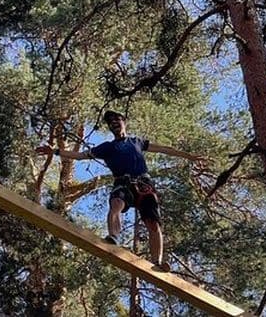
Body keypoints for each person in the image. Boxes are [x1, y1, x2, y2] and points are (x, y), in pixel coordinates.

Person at [35, 110, 206, 271]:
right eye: (110, 123)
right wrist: (56, 151)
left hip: (144, 184)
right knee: (116, 203)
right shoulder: (107, 148)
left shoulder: (137, 142)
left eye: (117, 120)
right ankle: (113, 237)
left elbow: (164, 149)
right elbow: (81, 156)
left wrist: (188, 156)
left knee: (153, 223)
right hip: (123, 183)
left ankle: (157, 262)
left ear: (124, 123)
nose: (114, 123)